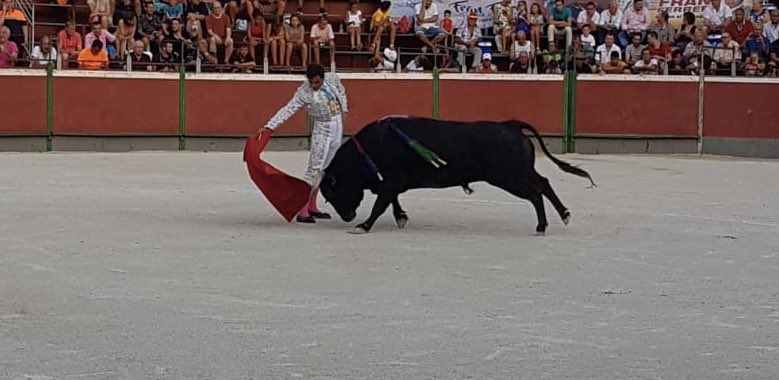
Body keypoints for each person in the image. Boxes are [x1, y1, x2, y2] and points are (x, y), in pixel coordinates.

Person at [258, 64, 348, 223]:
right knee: (314, 169)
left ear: (323, 77)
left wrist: (344, 110)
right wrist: (269, 127)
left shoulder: (332, 79)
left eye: (317, 82)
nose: (314, 86)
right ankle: (303, 209)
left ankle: (312, 205)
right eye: (311, 82)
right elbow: (288, 109)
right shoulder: (304, 92)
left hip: (337, 127)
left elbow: (342, 92)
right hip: (323, 128)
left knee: (326, 169)